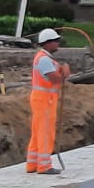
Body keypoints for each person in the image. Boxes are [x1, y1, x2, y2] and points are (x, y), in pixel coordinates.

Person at [26, 28, 72, 174]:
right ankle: (44, 166)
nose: (58, 43)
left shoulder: (44, 57)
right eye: (56, 41)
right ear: (47, 43)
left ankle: (32, 164)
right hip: (44, 101)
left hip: (42, 99)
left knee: (37, 132)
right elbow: (54, 78)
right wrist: (65, 72)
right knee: (45, 132)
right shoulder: (44, 59)